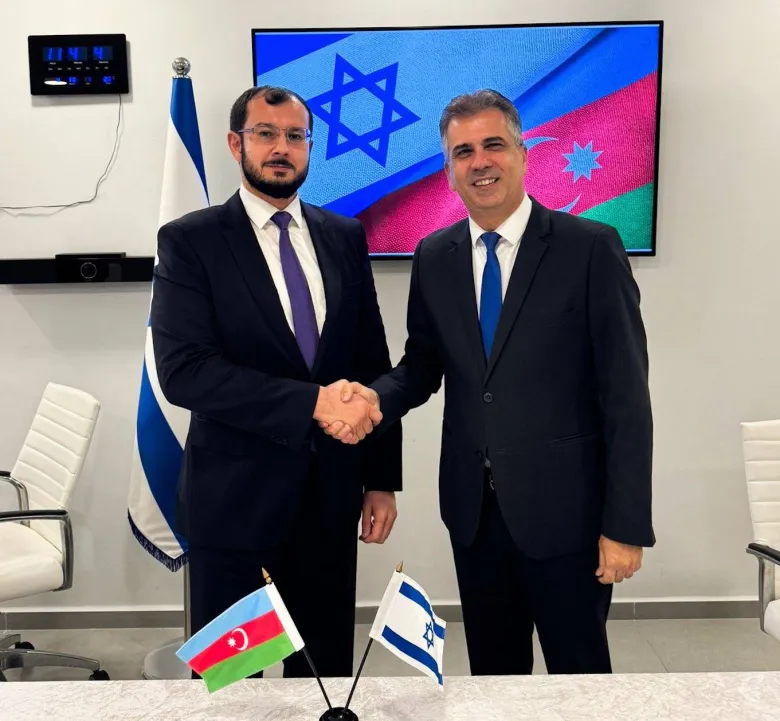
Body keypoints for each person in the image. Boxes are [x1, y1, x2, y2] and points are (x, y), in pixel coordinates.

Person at [325, 89, 654, 675]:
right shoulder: (435, 255)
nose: (480, 162)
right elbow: (422, 366)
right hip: (474, 514)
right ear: (448, 171)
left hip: (569, 518)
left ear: (523, 154)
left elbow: (626, 398)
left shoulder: (589, 248)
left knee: (581, 686)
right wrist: (374, 398)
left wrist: (625, 526)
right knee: (493, 686)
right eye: (463, 152)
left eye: (493, 145)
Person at [151, 85, 402, 678]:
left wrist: (380, 479)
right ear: (235, 143)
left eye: (295, 136)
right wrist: (313, 403)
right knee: (233, 685)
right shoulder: (191, 241)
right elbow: (185, 372)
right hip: (234, 504)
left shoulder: (344, 235)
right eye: (265, 133)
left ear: (310, 146)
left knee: (322, 680)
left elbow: (372, 362)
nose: (281, 148)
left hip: (330, 498)